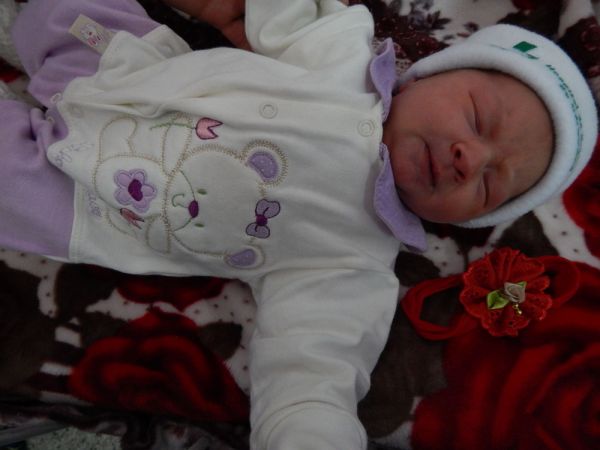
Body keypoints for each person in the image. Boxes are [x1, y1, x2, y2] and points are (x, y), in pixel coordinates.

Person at [0, 0, 596, 448]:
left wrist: (311, 431)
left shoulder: (353, 263)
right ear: (424, 75)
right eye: (476, 117)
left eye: (490, 185)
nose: (471, 157)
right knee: (65, 12)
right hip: (127, 67)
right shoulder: (343, 55)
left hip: (87, 196)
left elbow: (312, 372)